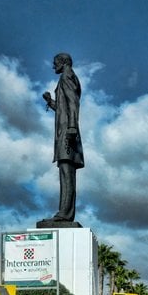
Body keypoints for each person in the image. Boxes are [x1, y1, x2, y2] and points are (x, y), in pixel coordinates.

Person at [41, 53, 84, 223]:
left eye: (55, 63)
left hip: (67, 134)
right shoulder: (68, 77)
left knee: (66, 173)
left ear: (63, 62)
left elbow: (73, 102)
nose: (53, 66)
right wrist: (51, 101)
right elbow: (63, 108)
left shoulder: (67, 76)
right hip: (67, 132)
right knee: (66, 173)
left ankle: (64, 214)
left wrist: (72, 126)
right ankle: (65, 212)